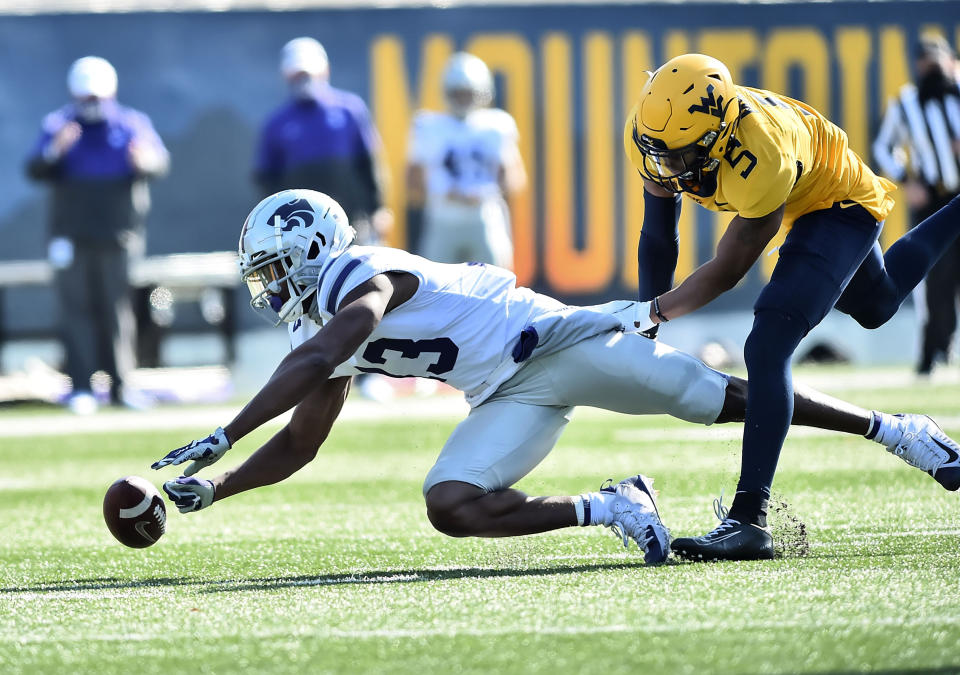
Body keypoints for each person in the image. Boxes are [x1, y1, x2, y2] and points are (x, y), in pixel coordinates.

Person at [150, 190, 960, 563]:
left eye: (274, 268)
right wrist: (217, 487)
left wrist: (225, 431)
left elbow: (320, 357)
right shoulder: (323, 321)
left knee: (706, 398)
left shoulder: (361, 275)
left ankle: (897, 430)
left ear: (313, 251)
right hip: (502, 391)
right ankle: (611, 505)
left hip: (555, 342)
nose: (270, 287)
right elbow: (302, 441)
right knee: (451, 505)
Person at [623, 53, 960, 561]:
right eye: (660, 155)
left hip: (838, 202)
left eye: (679, 156)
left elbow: (728, 268)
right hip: (809, 189)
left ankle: (749, 519)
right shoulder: (655, 131)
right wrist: (644, 315)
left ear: (719, 135)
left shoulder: (763, 154)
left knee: (768, 343)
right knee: (879, 303)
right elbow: (657, 231)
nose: (666, 168)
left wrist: (653, 314)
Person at [26, 56, 169, 414]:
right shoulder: (59, 126)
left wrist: (145, 161)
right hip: (71, 237)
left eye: (97, 97)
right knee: (76, 311)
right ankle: (81, 387)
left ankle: (121, 386)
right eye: (85, 97)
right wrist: (55, 150)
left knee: (116, 312)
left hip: (118, 236)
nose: (92, 105)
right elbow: (34, 167)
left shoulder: (132, 124)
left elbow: (158, 162)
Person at [255, 36, 394, 401]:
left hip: (351, 225)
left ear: (324, 71)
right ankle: (315, 373)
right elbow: (266, 180)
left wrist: (378, 208)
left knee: (362, 295)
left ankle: (370, 374)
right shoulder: (278, 123)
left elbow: (370, 163)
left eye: (309, 72)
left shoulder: (348, 110)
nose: (304, 80)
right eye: (297, 74)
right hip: (304, 238)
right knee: (308, 302)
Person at [873, 35, 960, 376]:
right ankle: (932, 354)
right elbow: (883, 147)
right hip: (935, 200)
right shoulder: (906, 102)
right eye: (925, 61)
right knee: (934, 277)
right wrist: (906, 180)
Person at [406, 52, 526, 268]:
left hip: (483, 215)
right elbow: (412, 180)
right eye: (457, 93)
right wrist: (442, 193)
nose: (463, 99)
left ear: (482, 92)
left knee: (495, 286)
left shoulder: (496, 125)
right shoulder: (428, 125)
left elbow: (514, 178)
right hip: (443, 216)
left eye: (468, 93)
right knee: (434, 288)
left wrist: (487, 192)